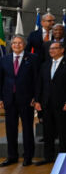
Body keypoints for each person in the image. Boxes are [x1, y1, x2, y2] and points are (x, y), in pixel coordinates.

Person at [0, 35, 40, 166]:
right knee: (10, 129)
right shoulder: (4, 59)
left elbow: (37, 80)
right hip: (9, 99)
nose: (17, 45)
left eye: (19, 43)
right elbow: (1, 80)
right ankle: (12, 156)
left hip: (27, 99)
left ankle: (28, 157)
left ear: (24, 44)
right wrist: (1, 98)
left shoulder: (33, 58)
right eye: (14, 43)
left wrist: (36, 97)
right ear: (11, 45)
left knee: (28, 128)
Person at [34, 41, 66, 164]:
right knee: (48, 132)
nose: (51, 51)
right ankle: (48, 157)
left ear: (62, 50)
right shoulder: (45, 65)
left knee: (63, 131)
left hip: (62, 104)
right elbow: (40, 85)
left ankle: (64, 158)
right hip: (46, 104)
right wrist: (37, 101)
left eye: (55, 48)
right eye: (50, 49)